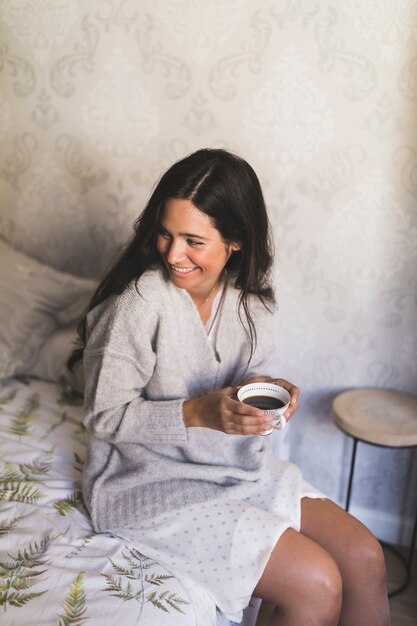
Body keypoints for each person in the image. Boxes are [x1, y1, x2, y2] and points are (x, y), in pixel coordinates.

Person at [68, 148, 390, 626]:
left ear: (235, 242)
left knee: (365, 558)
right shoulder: (139, 303)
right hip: (149, 487)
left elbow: (242, 380)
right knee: (317, 583)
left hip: (233, 470)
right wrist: (198, 413)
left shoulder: (249, 302)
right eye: (165, 233)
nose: (173, 254)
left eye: (193, 241)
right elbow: (103, 414)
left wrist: (266, 387)